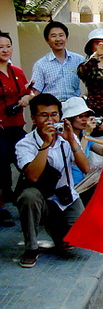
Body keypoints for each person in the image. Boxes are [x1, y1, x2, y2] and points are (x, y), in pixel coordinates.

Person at [14, 93, 90, 268]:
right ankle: (31, 249)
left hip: (64, 197)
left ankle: (58, 232)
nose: (50, 120)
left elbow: (85, 168)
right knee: (29, 196)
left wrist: (72, 141)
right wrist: (45, 145)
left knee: (80, 239)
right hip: (40, 198)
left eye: (54, 115)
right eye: (44, 115)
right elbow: (33, 175)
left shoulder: (66, 137)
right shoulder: (25, 144)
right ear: (33, 118)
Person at [0, 31, 32, 227]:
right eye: (1, 47)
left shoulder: (17, 72)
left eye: (8, 46)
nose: (5, 50)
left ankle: (22, 198)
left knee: (26, 162)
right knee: (1, 168)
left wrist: (27, 98)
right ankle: (1, 207)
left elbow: (28, 93)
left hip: (17, 126)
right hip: (0, 129)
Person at [61, 96, 103, 186]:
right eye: (80, 116)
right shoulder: (64, 138)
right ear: (70, 119)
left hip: (82, 182)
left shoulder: (85, 137)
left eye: (87, 115)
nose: (84, 119)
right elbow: (78, 159)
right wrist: (86, 135)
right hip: (69, 186)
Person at [30, 21, 85, 102]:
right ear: (47, 40)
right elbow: (35, 92)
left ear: (67, 38)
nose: (58, 39)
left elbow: (92, 82)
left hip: (75, 107)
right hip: (53, 109)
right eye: (53, 36)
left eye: (61, 35)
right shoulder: (41, 64)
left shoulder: (79, 60)